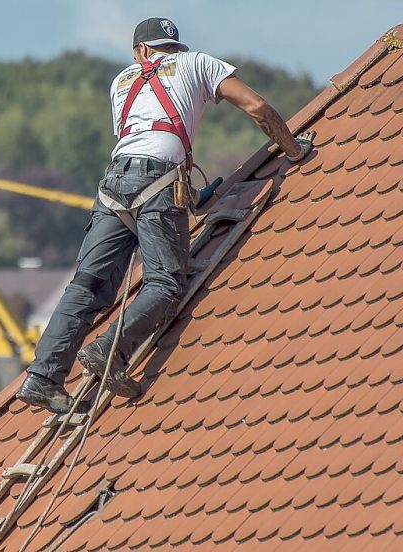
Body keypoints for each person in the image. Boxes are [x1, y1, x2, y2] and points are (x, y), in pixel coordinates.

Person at [16, 17, 315, 413]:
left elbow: (141, 137)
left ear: (141, 51)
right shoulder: (197, 63)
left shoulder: (121, 81)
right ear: (173, 47)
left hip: (113, 185)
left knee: (88, 285)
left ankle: (42, 377)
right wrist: (294, 149)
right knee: (166, 282)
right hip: (157, 180)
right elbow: (256, 107)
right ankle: (110, 350)